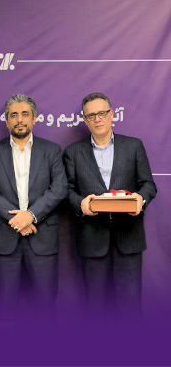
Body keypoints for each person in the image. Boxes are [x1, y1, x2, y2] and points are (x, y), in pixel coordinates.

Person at [63, 92, 157, 323]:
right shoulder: (73, 152)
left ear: (112, 114)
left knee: (130, 309)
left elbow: (148, 185)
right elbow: (67, 191)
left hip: (129, 237)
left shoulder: (133, 146)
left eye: (102, 113)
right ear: (85, 120)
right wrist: (81, 204)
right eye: (91, 115)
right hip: (92, 238)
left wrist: (140, 199)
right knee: (95, 310)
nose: (98, 119)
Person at [0, 94, 67, 322]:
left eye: (25, 114)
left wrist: (31, 215)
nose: (19, 120)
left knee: (45, 306)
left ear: (34, 119)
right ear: (6, 121)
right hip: (5, 239)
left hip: (42, 239)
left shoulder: (51, 150)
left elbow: (59, 188)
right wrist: (18, 221)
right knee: (5, 308)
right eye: (14, 115)